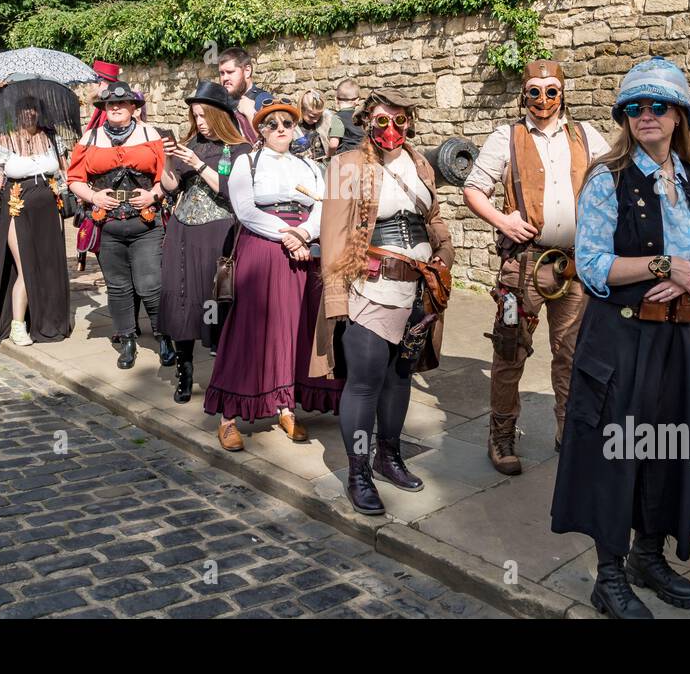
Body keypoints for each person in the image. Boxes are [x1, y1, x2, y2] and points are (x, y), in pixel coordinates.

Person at [551, 58, 690, 619]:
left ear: (679, 115)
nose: (645, 116)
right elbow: (591, 264)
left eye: (658, 106)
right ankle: (609, 575)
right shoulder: (608, 179)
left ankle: (648, 557)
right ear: (624, 118)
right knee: (620, 453)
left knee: (672, 448)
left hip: (680, 342)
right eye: (634, 107)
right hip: (624, 342)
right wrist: (664, 266)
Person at [463, 59, 610, 474]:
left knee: (573, 352)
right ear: (523, 95)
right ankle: (502, 434)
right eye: (534, 90)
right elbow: (474, 189)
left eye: (551, 90)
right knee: (510, 349)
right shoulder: (506, 137)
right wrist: (503, 220)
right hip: (524, 264)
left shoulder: (586, 136)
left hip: (575, 265)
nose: (543, 99)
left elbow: (614, 178)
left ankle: (569, 429)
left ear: (563, 92)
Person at [316, 88, 454, 515]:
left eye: (399, 120)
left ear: (409, 121)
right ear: (366, 122)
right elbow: (334, 233)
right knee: (364, 381)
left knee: (400, 377)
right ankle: (358, 472)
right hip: (368, 288)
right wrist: (337, 299)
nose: (391, 129)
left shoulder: (420, 163)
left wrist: (444, 254)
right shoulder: (346, 165)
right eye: (381, 121)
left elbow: (432, 219)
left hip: (417, 289)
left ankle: (388, 456)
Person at [203, 97, 337, 452]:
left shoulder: (309, 167)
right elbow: (245, 209)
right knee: (250, 330)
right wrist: (287, 235)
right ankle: (229, 415)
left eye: (287, 124)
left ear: (296, 128)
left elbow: (323, 207)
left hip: (304, 250)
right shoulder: (247, 161)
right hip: (262, 249)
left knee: (295, 329)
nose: (280, 129)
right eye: (272, 124)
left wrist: (305, 234)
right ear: (260, 129)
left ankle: (286, 405)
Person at [158, 81, 252, 402]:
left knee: (217, 303)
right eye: (195, 116)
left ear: (219, 115)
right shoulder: (190, 144)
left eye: (203, 115)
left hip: (219, 235)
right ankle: (184, 373)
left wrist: (198, 164)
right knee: (183, 303)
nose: (198, 122)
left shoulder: (239, 149)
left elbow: (229, 190)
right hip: (183, 233)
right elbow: (170, 187)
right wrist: (169, 159)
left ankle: (224, 377)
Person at [67, 81, 169, 368]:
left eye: (122, 104)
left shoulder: (151, 135)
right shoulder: (90, 138)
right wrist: (94, 195)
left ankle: (164, 337)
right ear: (104, 108)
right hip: (108, 223)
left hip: (146, 223)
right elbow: (74, 178)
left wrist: (153, 194)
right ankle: (127, 341)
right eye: (110, 104)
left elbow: (167, 176)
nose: (115, 108)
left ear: (133, 108)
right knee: (118, 286)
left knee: (151, 284)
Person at [0, 95, 72, 348]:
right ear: (16, 113)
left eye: (34, 109)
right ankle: (19, 325)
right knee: (27, 266)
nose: (29, 114)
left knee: (49, 265)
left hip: (50, 209)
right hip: (18, 208)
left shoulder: (52, 138)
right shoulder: (3, 141)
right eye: (24, 110)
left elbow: (65, 171)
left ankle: (49, 319)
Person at [216, 47, 273, 144]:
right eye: (222, 73)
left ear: (247, 71)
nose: (225, 78)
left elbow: (273, 144)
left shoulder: (263, 100)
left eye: (230, 72)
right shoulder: (221, 103)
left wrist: (250, 113)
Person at [291, 89, 339, 164]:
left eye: (319, 116)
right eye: (312, 117)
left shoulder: (327, 120)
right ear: (302, 109)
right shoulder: (292, 128)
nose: (316, 120)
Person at [333, 78, 364, 154]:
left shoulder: (337, 118)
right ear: (357, 100)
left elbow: (333, 145)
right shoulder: (362, 116)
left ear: (336, 100)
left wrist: (329, 156)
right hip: (364, 153)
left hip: (346, 157)